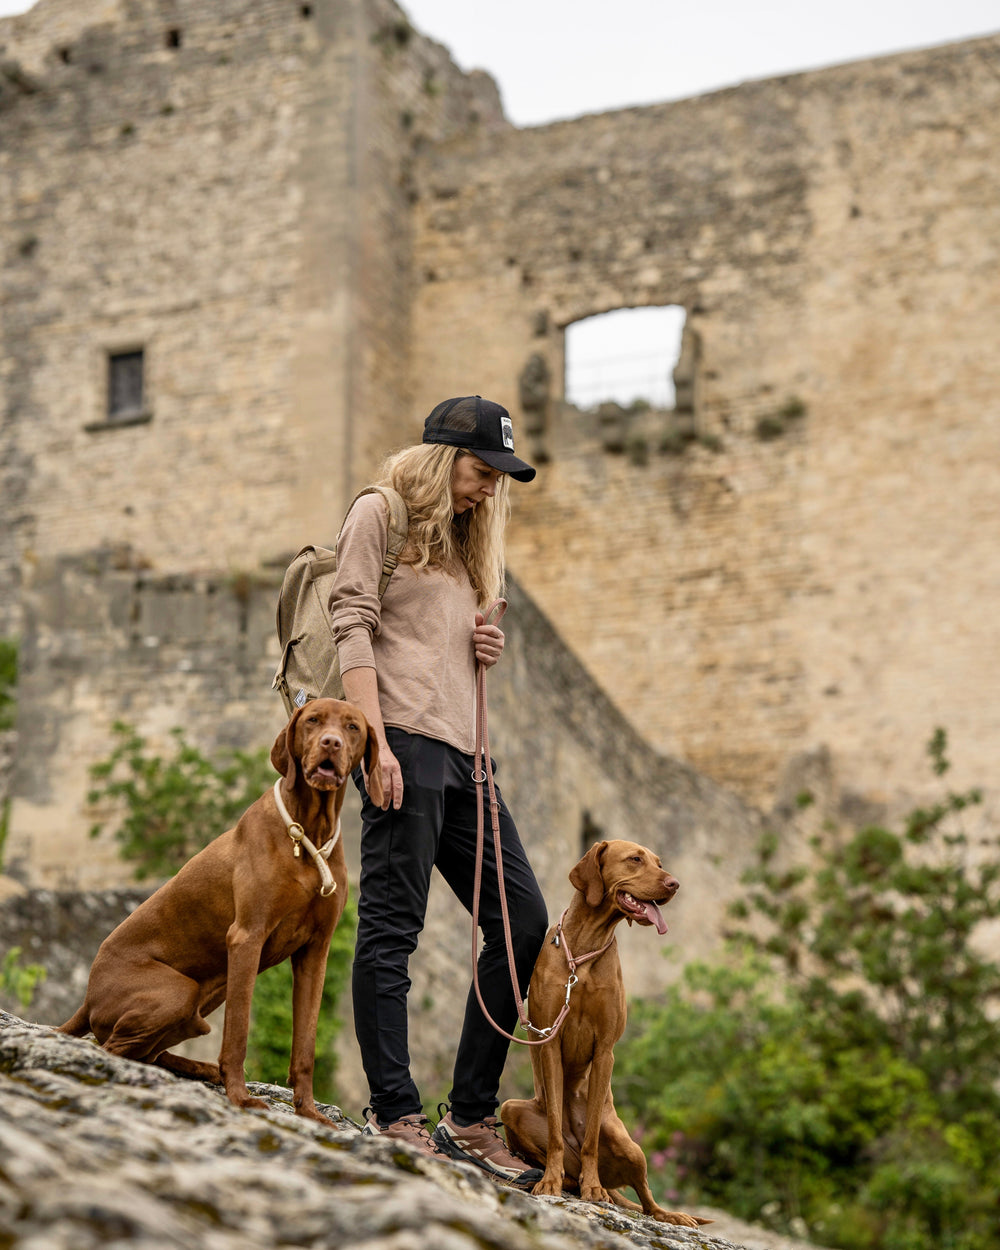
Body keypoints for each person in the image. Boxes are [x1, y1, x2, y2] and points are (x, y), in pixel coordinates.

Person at [329, 395, 549, 1185]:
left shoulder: (465, 548)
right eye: (480, 469)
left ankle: (468, 1114)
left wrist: (479, 642)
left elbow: (435, 640)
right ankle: (394, 1111)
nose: (490, 487)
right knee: (393, 930)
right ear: (440, 458)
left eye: (498, 476)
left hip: (467, 758)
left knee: (523, 920)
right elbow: (351, 620)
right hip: (403, 746)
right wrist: (375, 740)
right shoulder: (379, 513)